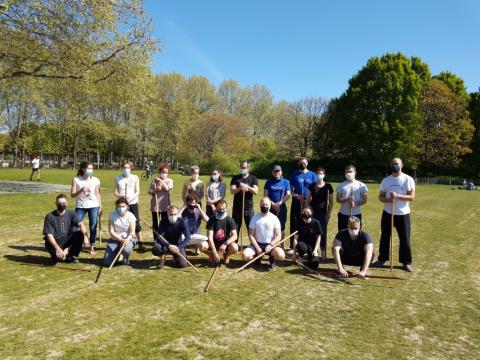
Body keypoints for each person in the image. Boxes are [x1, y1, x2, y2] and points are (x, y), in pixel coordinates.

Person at [373, 158, 415, 272]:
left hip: (403, 213)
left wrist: (398, 196)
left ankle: (406, 262)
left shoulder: (408, 179)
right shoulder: (386, 180)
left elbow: (411, 197)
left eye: (396, 164)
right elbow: (381, 197)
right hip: (388, 213)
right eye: (392, 164)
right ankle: (382, 259)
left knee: (405, 239)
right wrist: (388, 200)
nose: (394, 166)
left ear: (402, 165)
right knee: (385, 237)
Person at [43, 194, 89, 264]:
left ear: (67, 203)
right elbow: (49, 236)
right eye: (60, 203)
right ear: (56, 203)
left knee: (79, 234)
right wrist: (58, 249)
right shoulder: (50, 216)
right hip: (53, 243)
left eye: (64, 203)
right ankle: (54, 256)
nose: (62, 205)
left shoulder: (71, 213)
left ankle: (69, 256)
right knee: (57, 259)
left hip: (65, 240)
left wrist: (85, 237)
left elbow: (81, 224)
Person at [241, 197, 285, 269]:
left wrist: (271, 245)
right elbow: (251, 235)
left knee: (281, 255)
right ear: (260, 205)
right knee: (244, 255)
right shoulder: (254, 218)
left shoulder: (274, 218)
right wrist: (257, 248)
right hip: (257, 244)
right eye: (263, 204)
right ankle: (258, 256)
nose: (265, 206)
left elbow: (278, 236)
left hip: (271, 245)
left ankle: (272, 258)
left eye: (267, 205)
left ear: (270, 206)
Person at [70, 161, 102, 255]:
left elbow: (97, 193)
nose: (90, 170)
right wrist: (80, 190)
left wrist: (100, 205)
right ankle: (83, 239)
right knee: (76, 225)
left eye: (92, 169)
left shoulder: (95, 180)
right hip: (81, 206)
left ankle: (92, 246)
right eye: (88, 168)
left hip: (94, 206)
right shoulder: (76, 179)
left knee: (93, 226)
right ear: (83, 169)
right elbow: (72, 195)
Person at [114, 160, 144, 250]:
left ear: (131, 168)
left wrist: (130, 199)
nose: (126, 169)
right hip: (121, 204)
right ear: (121, 168)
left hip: (133, 203)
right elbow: (115, 191)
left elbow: (137, 191)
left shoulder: (135, 177)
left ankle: (140, 242)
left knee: (136, 223)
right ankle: (121, 241)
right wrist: (121, 196)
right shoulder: (117, 178)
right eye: (124, 167)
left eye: (128, 167)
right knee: (120, 222)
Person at [289, 157, 317, 252]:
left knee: (308, 224)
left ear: (307, 163)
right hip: (297, 203)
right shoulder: (294, 175)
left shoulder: (313, 175)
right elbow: (290, 191)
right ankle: (293, 246)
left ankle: (308, 245)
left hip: (308, 205)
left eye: (304, 162)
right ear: (298, 163)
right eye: (300, 163)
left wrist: (309, 199)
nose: (302, 164)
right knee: (295, 223)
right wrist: (297, 196)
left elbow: (315, 190)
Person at [306, 167, 333, 259]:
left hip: (323, 213)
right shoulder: (312, 186)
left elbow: (331, 202)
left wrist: (328, 214)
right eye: (317, 173)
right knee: (313, 231)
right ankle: (314, 250)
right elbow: (307, 199)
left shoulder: (328, 186)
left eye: (321, 173)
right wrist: (308, 210)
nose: (319, 175)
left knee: (322, 232)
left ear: (324, 175)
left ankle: (323, 250)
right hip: (313, 213)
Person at [103, 197, 137, 266]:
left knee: (126, 250)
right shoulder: (112, 215)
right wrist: (120, 239)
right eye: (119, 206)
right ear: (116, 206)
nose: (121, 208)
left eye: (123, 206)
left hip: (128, 239)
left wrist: (126, 239)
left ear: (127, 206)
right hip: (115, 238)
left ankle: (125, 257)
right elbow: (111, 231)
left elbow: (132, 232)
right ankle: (117, 252)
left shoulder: (131, 216)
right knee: (107, 262)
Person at [204, 199, 238, 267]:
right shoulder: (212, 219)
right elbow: (210, 237)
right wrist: (214, 252)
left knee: (235, 248)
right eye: (219, 209)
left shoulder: (229, 219)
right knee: (202, 246)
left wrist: (225, 244)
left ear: (226, 208)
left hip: (225, 244)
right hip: (213, 243)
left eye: (223, 209)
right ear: (216, 208)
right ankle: (211, 255)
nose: (221, 211)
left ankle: (226, 255)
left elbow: (235, 236)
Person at [230, 160, 259, 237]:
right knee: (235, 227)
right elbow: (232, 191)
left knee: (251, 226)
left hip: (248, 207)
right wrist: (239, 188)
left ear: (248, 168)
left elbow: (256, 191)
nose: (243, 169)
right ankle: (234, 244)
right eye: (241, 167)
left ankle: (253, 244)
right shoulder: (235, 178)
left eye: (244, 167)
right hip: (237, 207)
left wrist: (248, 187)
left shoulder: (253, 178)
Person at [335, 164, 368, 231]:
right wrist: (347, 199)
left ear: (355, 173)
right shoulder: (341, 185)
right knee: (342, 234)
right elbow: (338, 199)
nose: (348, 173)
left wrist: (355, 204)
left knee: (355, 234)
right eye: (346, 172)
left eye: (350, 172)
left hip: (356, 214)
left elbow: (364, 200)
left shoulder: (361, 185)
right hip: (343, 214)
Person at [264, 165, 291, 239]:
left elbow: (288, 195)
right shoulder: (268, 182)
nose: (277, 173)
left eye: (278, 171)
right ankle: (271, 244)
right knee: (270, 226)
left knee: (281, 226)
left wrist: (281, 202)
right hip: (271, 207)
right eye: (275, 171)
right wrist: (272, 204)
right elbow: (265, 196)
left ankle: (281, 245)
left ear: (281, 172)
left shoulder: (286, 182)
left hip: (282, 207)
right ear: (272, 172)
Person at [148, 163, 173, 239]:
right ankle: (156, 239)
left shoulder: (169, 180)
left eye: (166, 172)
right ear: (160, 172)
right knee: (155, 223)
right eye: (163, 172)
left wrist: (160, 181)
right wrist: (156, 190)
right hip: (155, 205)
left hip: (165, 206)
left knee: (165, 223)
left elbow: (167, 189)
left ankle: (165, 239)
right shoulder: (154, 181)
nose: (164, 174)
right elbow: (149, 192)